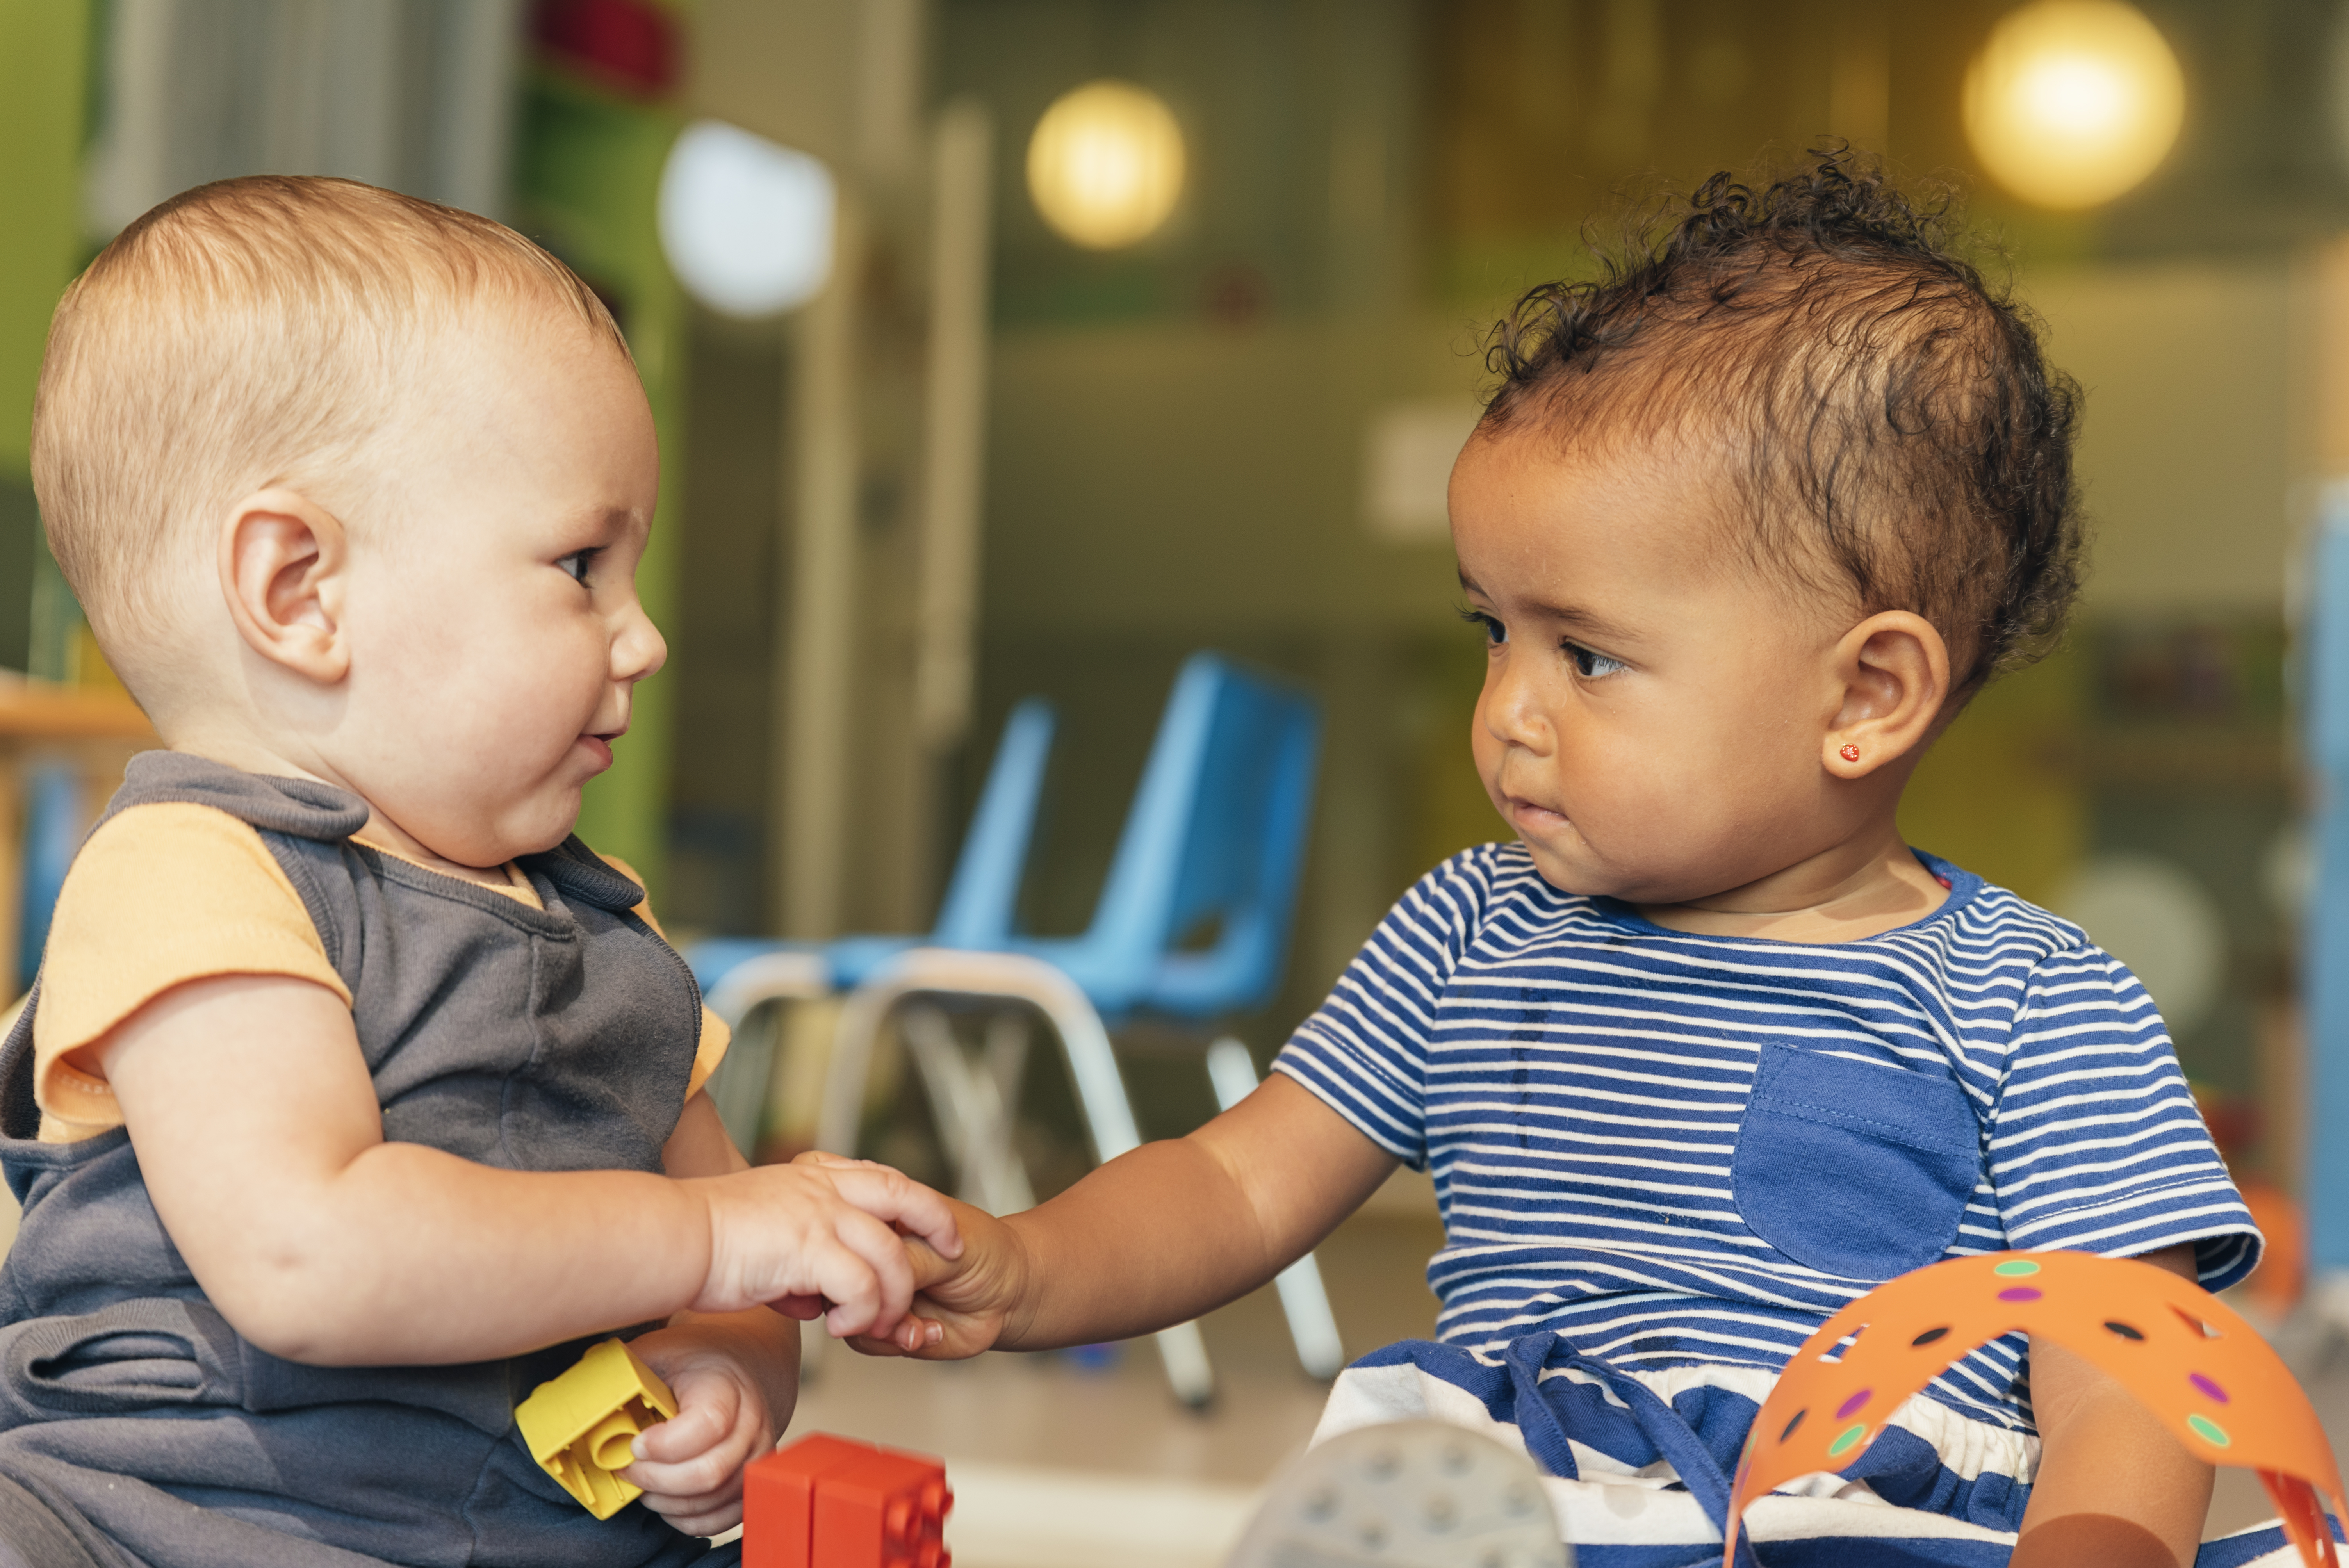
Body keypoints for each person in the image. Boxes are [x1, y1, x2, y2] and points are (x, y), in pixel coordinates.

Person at [869, 155, 2277, 1568]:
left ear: (1863, 700)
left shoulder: (2038, 1000)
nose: (1509, 715)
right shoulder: (1472, 932)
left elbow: (2128, 1361)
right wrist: (1030, 1264)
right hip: (1510, 1522)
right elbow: (1238, 1186)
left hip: (1860, 1529)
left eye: (1587, 655)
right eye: (1495, 631)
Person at [0, 176, 956, 1568]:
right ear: (300, 593)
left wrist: (726, 1370)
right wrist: (704, 1244)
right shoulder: (191, 878)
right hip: (165, 1527)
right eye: (582, 566)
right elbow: (310, 1254)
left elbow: (733, 1264)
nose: (643, 641)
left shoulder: (608, 932)